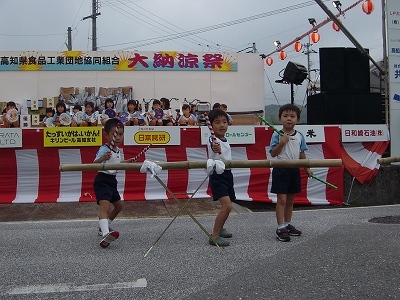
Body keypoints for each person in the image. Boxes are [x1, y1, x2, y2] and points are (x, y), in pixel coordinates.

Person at [269, 104, 313, 242]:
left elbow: (302, 153)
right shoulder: (276, 134)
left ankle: (287, 224)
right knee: (281, 200)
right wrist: (282, 143)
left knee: (290, 200)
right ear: (280, 119)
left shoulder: (300, 135)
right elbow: (273, 153)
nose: (289, 119)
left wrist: (306, 168)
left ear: (298, 120)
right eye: (285, 116)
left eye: (292, 116)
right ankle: (280, 227)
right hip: (281, 169)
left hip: (294, 170)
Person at [93, 118, 135, 248]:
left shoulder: (118, 150)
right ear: (106, 135)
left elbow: (117, 163)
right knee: (105, 207)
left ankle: (103, 227)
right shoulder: (104, 149)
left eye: (121, 134)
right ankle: (105, 233)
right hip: (102, 180)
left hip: (112, 181)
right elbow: (93, 164)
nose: (117, 137)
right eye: (114, 134)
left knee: (119, 206)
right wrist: (102, 158)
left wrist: (127, 162)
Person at [207, 109, 235, 247]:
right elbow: (214, 147)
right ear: (211, 126)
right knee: (227, 206)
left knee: (229, 205)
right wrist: (214, 147)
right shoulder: (213, 139)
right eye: (217, 123)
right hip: (218, 175)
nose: (222, 125)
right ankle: (214, 235)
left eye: (224, 122)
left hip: (227, 174)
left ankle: (221, 228)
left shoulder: (225, 139)